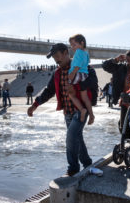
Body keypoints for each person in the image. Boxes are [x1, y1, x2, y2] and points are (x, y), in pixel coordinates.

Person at [27, 43, 94, 176]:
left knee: (71, 136)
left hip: (81, 110)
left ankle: (73, 169)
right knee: (77, 138)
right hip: (67, 112)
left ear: (66, 53)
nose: (56, 60)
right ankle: (87, 164)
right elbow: (49, 91)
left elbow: (92, 81)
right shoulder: (57, 73)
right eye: (54, 58)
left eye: (58, 56)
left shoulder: (80, 67)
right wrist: (35, 105)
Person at [102, 49, 130, 133]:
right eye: (128, 60)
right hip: (125, 100)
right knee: (123, 126)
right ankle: (125, 143)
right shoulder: (121, 68)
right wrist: (115, 60)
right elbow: (105, 66)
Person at [68, 34, 95, 125]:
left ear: (82, 43)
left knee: (70, 93)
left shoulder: (78, 52)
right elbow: (86, 63)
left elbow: (78, 64)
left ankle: (82, 109)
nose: (72, 47)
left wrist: (72, 73)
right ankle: (91, 115)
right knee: (84, 97)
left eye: (74, 44)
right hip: (85, 75)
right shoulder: (86, 53)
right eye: (71, 45)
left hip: (77, 74)